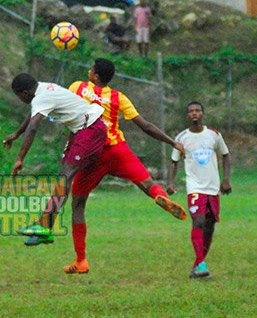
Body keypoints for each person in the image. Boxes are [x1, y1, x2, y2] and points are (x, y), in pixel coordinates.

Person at [61, 59, 188, 274]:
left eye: (91, 69)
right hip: (117, 150)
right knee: (146, 182)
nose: (88, 70)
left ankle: (81, 260)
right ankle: (160, 196)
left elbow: (64, 109)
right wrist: (172, 141)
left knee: (78, 205)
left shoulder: (78, 87)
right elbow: (145, 125)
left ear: (96, 76)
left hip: (92, 153)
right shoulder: (118, 98)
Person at [4, 73, 107, 246]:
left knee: (65, 177)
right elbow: (32, 116)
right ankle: (46, 229)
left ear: (25, 92)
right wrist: (16, 134)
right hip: (82, 130)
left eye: (18, 95)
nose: (20, 99)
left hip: (90, 130)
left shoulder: (41, 97)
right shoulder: (43, 89)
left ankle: (44, 226)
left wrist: (20, 158)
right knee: (63, 178)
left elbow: (33, 127)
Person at [167, 101, 231, 279]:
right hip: (194, 187)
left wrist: (226, 179)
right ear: (187, 116)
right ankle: (201, 264)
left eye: (198, 110)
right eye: (191, 111)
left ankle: (198, 265)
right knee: (199, 222)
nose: (194, 113)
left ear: (203, 114)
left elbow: (225, 155)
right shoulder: (181, 138)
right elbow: (174, 162)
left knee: (210, 226)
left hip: (212, 187)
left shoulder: (214, 135)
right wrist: (171, 182)